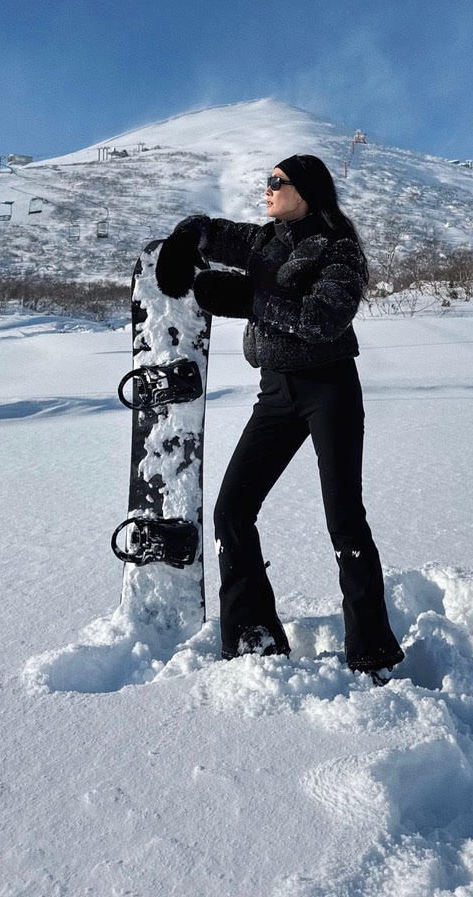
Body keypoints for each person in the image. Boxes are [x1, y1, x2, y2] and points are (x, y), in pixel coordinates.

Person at [155, 153, 404, 684]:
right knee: (232, 511)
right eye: (266, 180)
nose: (266, 189)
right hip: (275, 394)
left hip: (329, 388)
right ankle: (253, 637)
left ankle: (373, 651)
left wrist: (250, 299)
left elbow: (322, 320)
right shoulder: (265, 240)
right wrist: (182, 242)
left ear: (307, 190)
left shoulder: (340, 249)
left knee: (344, 519)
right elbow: (208, 230)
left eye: (277, 182)